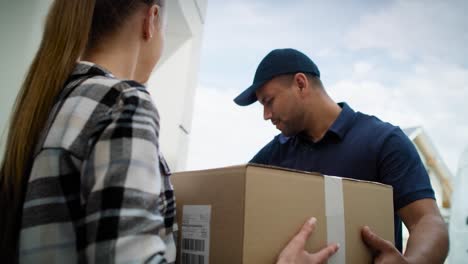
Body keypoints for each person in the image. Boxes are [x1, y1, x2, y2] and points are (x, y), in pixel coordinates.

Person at [0, 2, 337, 263]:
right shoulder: (122, 102)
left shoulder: (51, 104)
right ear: (151, 20)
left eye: (269, 102)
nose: (266, 115)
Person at [234, 48, 449, 263]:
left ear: (300, 83)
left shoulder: (383, 141)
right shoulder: (274, 154)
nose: (266, 115)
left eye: (268, 101)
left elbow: (427, 221)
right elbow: (235, 204)